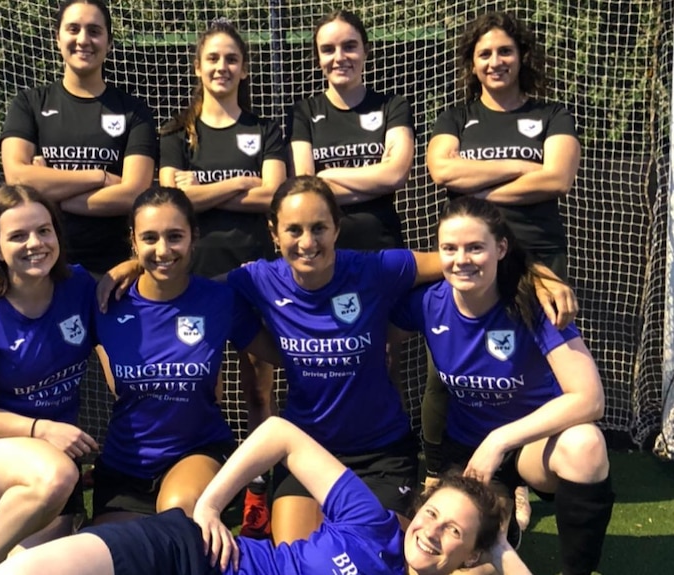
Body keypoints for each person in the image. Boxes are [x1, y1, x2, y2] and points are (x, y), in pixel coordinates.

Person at [99, 176, 575, 546]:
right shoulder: (253, 280)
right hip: (305, 451)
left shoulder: (375, 268)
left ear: (337, 228)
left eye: (319, 228)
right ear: (274, 233)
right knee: (304, 560)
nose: (308, 241)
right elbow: (174, 276)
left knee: (382, 556)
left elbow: (460, 260)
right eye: (294, 230)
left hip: (381, 453)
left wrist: (535, 275)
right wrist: (132, 265)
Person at [0, 416, 532, 575]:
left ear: (472, 556)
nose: (430, 532)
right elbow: (278, 433)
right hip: (196, 556)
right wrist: (206, 506)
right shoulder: (374, 522)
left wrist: (494, 542)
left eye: (452, 531)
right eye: (433, 514)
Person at [392, 196, 613, 575]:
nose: (462, 259)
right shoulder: (429, 303)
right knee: (462, 564)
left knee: (586, 445)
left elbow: (590, 398)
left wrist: (500, 440)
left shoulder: (532, 299)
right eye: (450, 248)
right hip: (468, 453)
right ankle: (502, 525)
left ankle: (578, 569)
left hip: (532, 447)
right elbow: (377, 336)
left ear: (501, 248)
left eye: (476, 247)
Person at [424, 11, 582, 531]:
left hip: (537, 264)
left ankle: (522, 478)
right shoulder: (455, 117)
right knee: (451, 370)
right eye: (485, 53)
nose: (496, 61)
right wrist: (521, 169)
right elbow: (442, 169)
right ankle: (440, 473)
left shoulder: (552, 114)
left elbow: (558, 176)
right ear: (472, 63)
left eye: (505, 51)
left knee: (531, 373)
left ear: (522, 57)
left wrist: (480, 191)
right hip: (473, 257)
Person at [158, 19, 286, 538]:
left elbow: (275, 196)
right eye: (212, 58)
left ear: (245, 67)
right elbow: (172, 201)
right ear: (198, 66)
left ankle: (259, 493)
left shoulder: (268, 129)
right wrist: (240, 180)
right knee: (199, 389)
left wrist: (203, 188)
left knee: (259, 393)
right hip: (197, 280)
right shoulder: (176, 135)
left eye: (231, 59)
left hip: (256, 279)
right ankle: (204, 492)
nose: (222, 67)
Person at [0, 184, 102, 575]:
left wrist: (126, 268)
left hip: (54, 450)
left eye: (44, 230)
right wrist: (42, 429)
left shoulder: (78, 286)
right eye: (18, 235)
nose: (35, 243)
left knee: (34, 564)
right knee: (57, 478)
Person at [91, 186, 280, 528]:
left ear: (194, 237)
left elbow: (283, 355)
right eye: (150, 238)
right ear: (133, 241)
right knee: (116, 557)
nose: (163, 250)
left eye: (174, 236)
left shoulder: (221, 300)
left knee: (177, 519)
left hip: (197, 452)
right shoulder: (104, 301)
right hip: (124, 467)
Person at [0, 0, 156, 276]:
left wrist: (50, 191)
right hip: (42, 271)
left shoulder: (135, 111)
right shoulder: (29, 104)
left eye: (94, 31)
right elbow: (18, 179)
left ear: (108, 43)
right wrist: (100, 177)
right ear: (57, 38)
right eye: (73, 29)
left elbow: (134, 194)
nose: (83, 39)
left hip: (113, 273)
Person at [290, 10, 414, 251]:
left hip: (383, 248)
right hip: (323, 252)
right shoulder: (302, 112)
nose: (339, 57)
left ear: (365, 51)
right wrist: (375, 179)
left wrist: (326, 176)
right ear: (318, 59)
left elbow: (395, 175)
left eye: (349, 46)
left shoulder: (393, 106)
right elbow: (306, 188)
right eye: (328, 49)